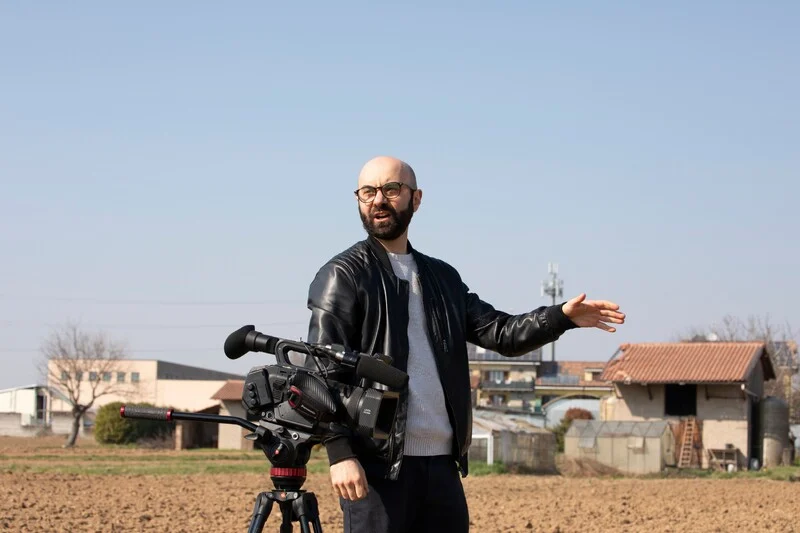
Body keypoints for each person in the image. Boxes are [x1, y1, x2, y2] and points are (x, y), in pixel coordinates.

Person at [305, 156, 625, 533]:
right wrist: (339, 451)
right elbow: (320, 370)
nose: (378, 200)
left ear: (416, 199)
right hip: (377, 467)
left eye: (391, 189)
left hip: (442, 467)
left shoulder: (442, 278)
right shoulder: (343, 275)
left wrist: (560, 317)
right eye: (367, 192)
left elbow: (500, 333)